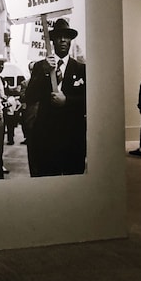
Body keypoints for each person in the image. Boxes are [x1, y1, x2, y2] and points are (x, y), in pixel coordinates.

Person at [25, 18, 86, 177]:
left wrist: (67, 101)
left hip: (72, 138)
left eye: (67, 36)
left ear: (71, 40)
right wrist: (44, 72)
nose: (63, 40)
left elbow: (88, 101)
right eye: (59, 36)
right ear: (52, 40)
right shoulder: (40, 66)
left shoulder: (81, 69)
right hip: (47, 138)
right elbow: (29, 96)